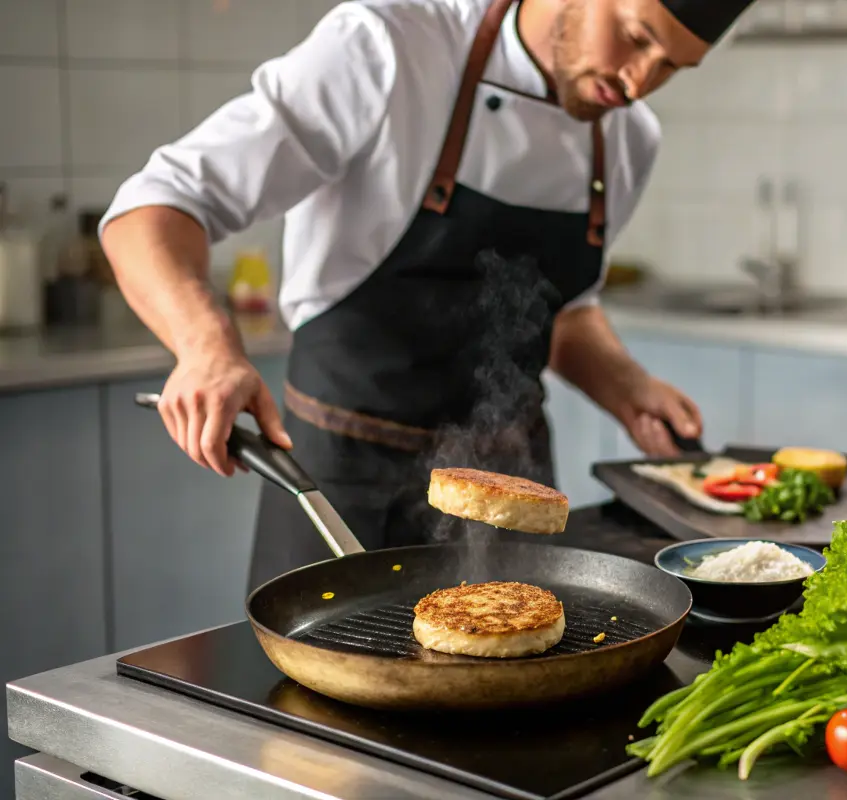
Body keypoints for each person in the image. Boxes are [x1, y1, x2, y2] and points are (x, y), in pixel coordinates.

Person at [98, 0, 754, 589]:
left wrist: (627, 386)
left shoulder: (628, 137)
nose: (639, 82)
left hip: (512, 496)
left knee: (521, 701)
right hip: (345, 485)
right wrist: (207, 348)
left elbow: (561, 309)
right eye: (637, 37)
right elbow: (154, 208)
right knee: (311, 716)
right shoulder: (388, 48)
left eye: (671, 66)